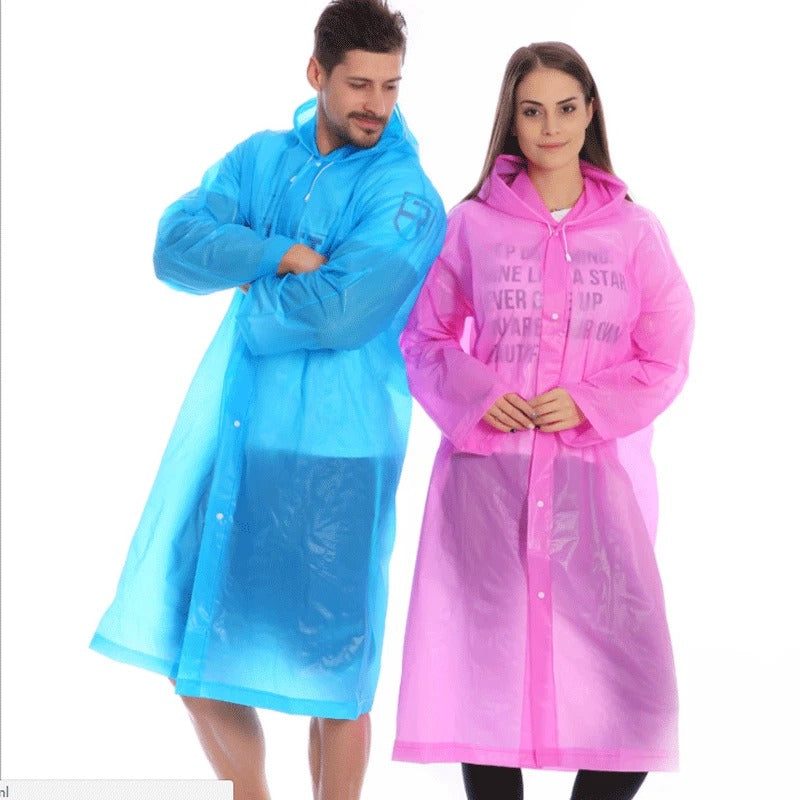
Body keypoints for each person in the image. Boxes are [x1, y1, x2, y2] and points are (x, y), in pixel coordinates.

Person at [90, 2, 445, 798]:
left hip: (340, 453)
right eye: (359, 84)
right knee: (197, 651)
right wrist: (279, 252)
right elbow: (174, 245)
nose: (377, 105)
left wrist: (249, 285)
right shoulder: (258, 159)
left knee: (336, 672)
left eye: (390, 86)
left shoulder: (405, 192)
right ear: (316, 73)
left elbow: (342, 312)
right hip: (244, 436)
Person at [392, 42, 694, 800]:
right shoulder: (471, 225)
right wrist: (477, 391)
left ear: (590, 112)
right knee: (485, 679)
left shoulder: (634, 232)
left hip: (589, 492)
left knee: (635, 688)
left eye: (565, 108)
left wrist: (589, 402)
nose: (550, 127)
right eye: (532, 111)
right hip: (486, 489)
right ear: (512, 120)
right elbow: (424, 338)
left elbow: (665, 353)